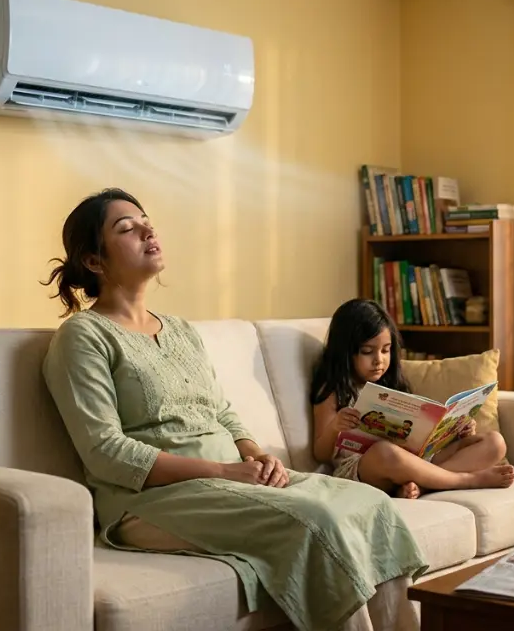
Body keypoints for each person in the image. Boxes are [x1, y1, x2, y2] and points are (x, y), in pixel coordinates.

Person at [40, 190, 427, 631]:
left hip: (231, 480)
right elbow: (105, 451)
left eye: (146, 220)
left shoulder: (180, 330)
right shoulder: (83, 337)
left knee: (369, 502)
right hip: (150, 501)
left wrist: (256, 455)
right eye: (127, 228)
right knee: (315, 522)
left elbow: (221, 411)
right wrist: (224, 472)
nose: (148, 230)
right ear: (94, 261)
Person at [309, 299, 514, 499]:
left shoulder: (390, 384)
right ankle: (466, 480)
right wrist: (335, 427)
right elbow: (320, 453)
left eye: (386, 350)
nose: (379, 360)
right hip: (367, 467)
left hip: (415, 460)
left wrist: (455, 432)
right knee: (384, 451)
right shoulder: (333, 390)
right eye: (367, 351)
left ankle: (422, 486)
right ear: (345, 352)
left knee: (494, 442)